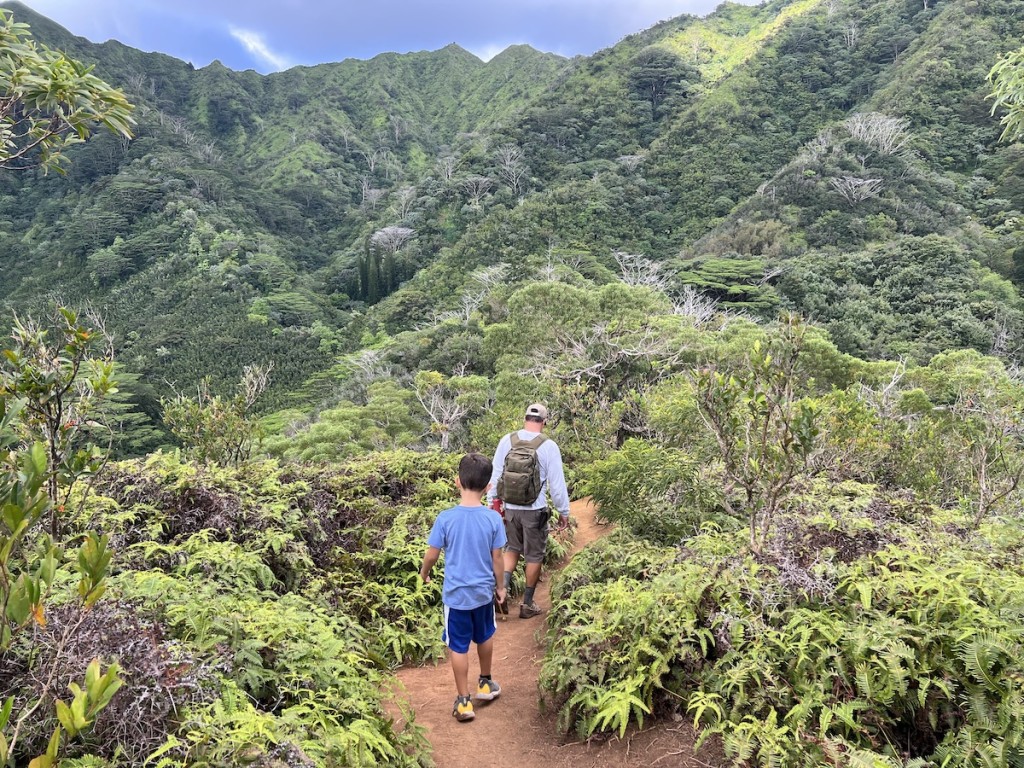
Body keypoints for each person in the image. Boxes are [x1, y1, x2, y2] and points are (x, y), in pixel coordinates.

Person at [420, 452, 508, 723]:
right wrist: (501, 586)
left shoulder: (445, 518)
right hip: (482, 593)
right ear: (488, 487)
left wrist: (425, 573)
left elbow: (432, 554)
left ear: (457, 482)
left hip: (455, 596)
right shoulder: (492, 519)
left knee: (458, 646)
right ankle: (485, 682)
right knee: (485, 635)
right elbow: (497, 557)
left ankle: (463, 701)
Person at [488, 403, 570, 619]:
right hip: (535, 510)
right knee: (534, 555)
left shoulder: (508, 440)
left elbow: (496, 474)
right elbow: (557, 483)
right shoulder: (549, 446)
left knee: (512, 549)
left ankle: (500, 592)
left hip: (510, 509)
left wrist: (493, 503)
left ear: (524, 418)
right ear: (544, 422)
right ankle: (527, 604)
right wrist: (564, 511)